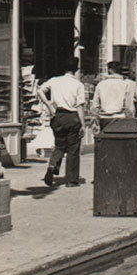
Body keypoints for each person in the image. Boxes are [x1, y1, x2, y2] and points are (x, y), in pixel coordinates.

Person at [35, 57, 87, 187]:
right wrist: (83, 123)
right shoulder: (78, 85)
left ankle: (52, 165)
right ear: (76, 70)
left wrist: (48, 104)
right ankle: (71, 180)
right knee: (73, 149)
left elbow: (40, 90)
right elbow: (80, 105)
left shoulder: (54, 80)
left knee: (59, 145)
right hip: (72, 116)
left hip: (57, 116)